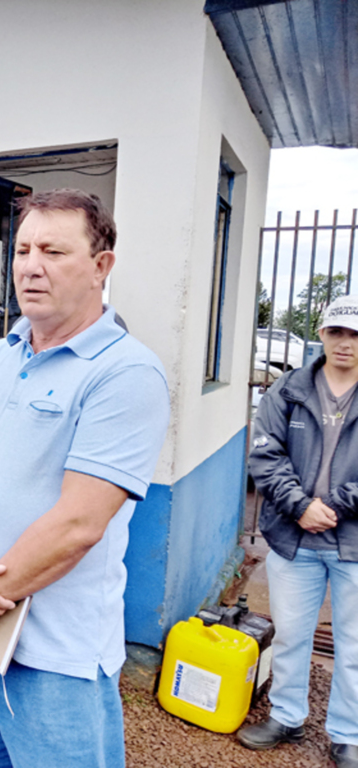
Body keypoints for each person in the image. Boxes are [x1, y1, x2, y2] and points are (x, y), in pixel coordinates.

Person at [0, 189, 169, 768]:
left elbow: (77, 524)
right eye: (24, 248)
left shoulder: (125, 373)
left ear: (101, 267)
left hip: (55, 656)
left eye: (53, 251)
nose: (30, 265)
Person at [240, 296, 358, 768]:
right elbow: (265, 454)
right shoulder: (287, 389)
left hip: (352, 542)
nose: (346, 343)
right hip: (294, 537)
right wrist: (300, 506)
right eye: (337, 332)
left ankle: (347, 734)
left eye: (355, 334)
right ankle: (287, 716)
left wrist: (332, 506)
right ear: (322, 333)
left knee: (354, 644)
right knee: (291, 634)